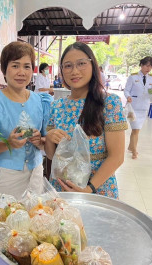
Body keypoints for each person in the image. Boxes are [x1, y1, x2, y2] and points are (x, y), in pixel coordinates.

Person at [44, 42, 127, 199]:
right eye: (67, 66)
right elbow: (51, 155)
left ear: (92, 65)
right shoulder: (57, 105)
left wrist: (88, 189)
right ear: (61, 70)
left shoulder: (109, 103)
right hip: (62, 188)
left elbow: (117, 156)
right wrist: (49, 138)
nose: (74, 71)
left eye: (81, 64)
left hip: (97, 189)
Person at [0, 41, 53, 201]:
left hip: (36, 172)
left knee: (35, 218)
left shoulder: (42, 101)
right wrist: (7, 144)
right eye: (15, 66)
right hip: (5, 175)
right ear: (4, 69)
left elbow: (47, 142)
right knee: (6, 221)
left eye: (27, 66)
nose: (21, 72)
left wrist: (40, 141)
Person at [124, 56, 152, 159]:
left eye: (150, 66)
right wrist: (128, 96)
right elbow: (126, 90)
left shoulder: (151, 78)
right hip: (133, 108)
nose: (148, 68)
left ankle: (130, 147)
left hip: (144, 108)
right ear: (141, 65)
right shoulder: (133, 77)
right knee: (136, 130)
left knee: (136, 130)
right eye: (147, 65)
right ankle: (134, 151)